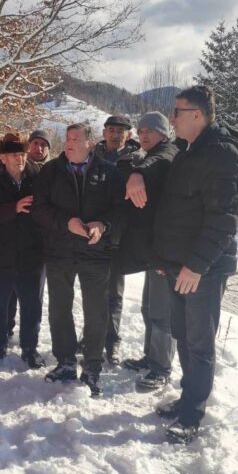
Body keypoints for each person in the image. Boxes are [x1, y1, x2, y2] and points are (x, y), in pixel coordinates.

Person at [152, 86, 238, 444]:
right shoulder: (189, 152)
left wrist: (195, 265)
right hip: (180, 265)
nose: (172, 118)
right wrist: (167, 260)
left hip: (202, 269)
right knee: (183, 335)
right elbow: (176, 212)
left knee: (200, 342)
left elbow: (224, 219)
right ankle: (186, 397)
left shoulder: (222, 155)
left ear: (198, 114)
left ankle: (193, 413)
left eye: (177, 111)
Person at [31, 123, 125, 396]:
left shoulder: (109, 173)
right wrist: (66, 222)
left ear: (90, 143)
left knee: (96, 311)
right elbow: (38, 209)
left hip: (95, 253)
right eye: (67, 139)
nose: (69, 143)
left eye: (75, 139)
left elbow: (121, 212)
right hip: (59, 250)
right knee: (60, 308)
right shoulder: (50, 171)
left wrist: (103, 225)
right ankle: (66, 361)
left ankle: (93, 366)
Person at [117, 112, 179, 391]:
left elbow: (158, 162)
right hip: (156, 250)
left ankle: (161, 367)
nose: (143, 135)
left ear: (164, 133)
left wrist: (138, 172)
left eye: (150, 131)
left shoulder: (168, 153)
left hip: (167, 251)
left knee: (162, 313)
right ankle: (150, 357)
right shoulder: (150, 154)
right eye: (140, 130)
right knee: (149, 307)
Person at [0, 133, 46, 368]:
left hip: (32, 253)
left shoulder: (38, 178)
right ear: (3, 158)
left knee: (32, 305)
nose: (20, 159)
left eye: (23, 154)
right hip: (1, 254)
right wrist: (13, 208)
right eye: (14, 155)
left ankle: (30, 348)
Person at [92, 115, 141, 364]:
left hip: (119, 236)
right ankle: (91, 337)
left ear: (128, 136)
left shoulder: (136, 161)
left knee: (114, 294)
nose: (115, 134)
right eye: (111, 130)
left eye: (120, 131)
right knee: (92, 291)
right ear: (103, 132)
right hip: (93, 235)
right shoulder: (92, 157)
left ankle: (112, 341)